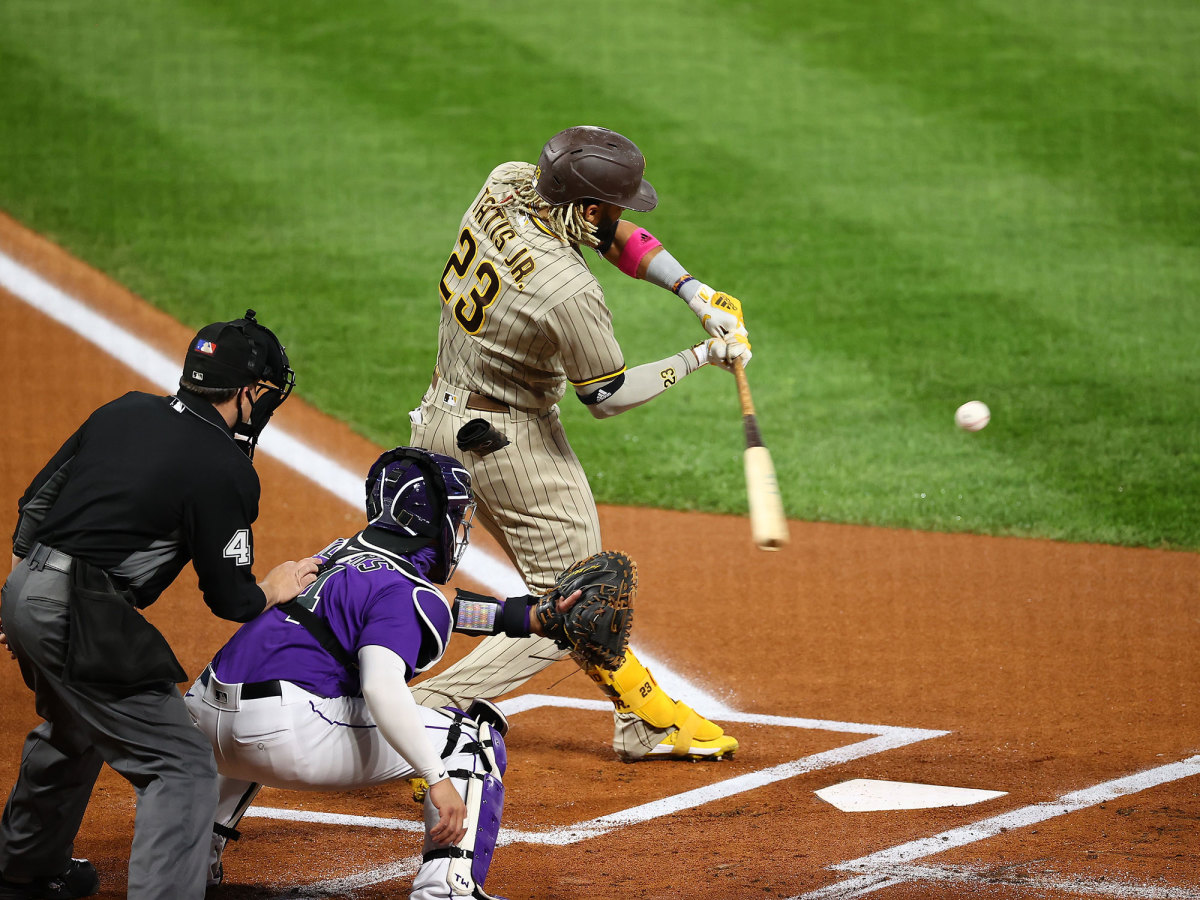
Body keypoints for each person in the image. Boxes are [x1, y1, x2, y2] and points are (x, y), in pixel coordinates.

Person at [407, 125, 751, 761]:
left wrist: (692, 291)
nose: (620, 216)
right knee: (575, 603)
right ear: (589, 206)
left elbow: (604, 232)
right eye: (614, 206)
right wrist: (703, 354)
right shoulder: (567, 289)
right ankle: (417, 716)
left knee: (527, 589)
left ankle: (641, 718)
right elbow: (608, 395)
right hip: (509, 446)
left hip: (435, 418)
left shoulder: (505, 182)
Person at [0, 310, 320, 900]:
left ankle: (25, 867)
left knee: (76, 721)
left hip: (24, 592)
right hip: (81, 609)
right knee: (181, 766)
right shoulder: (223, 465)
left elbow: (36, 504)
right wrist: (271, 588)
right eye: (266, 393)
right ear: (247, 393)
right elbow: (229, 598)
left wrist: (22, 594)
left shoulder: (124, 408)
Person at [184, 447, 576, 899]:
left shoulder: (340, 553)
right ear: (433, 521)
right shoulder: (402, 589)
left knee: (264, 699)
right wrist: (436, 777)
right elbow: (380, 685)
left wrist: (528, 617)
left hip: (202, 724)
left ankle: (192, 866)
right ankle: (445, 892)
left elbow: (435, 603)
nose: (460, 526)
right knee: (470, 740)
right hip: (281, 736)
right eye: (455, 514)